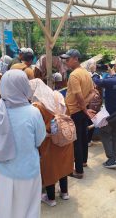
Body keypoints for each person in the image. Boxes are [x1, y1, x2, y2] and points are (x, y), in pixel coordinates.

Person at [0, 70, 46, 218]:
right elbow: (39, 140)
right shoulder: (33, 112)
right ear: (23, 86)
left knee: (4, 209)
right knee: (28, 209)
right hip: (27, 171)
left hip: (3, 171)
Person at [29, 78, 74, 207]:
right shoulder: (58, 96)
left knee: (49, 168)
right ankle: (64, 193)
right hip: (65, 137)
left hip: (49, 141)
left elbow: (36, 127)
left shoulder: (37, 106)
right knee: (63, 164)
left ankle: (51, 199)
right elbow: (68, 113)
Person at [61, 49, 95, 178]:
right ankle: (84, 162)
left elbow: (79, 95)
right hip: (80, 110)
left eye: (68, 59)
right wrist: (84, 108)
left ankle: (79, 170)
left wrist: (84, 108)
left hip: (74, 112)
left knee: (76, 141)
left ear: (75, 59)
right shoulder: (86, 73)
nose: (66, 62)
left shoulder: (74, 75)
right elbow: (93, 92)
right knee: (83, 137)